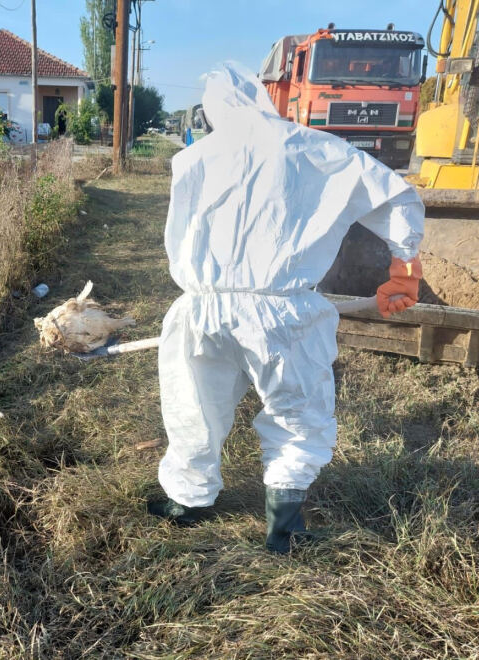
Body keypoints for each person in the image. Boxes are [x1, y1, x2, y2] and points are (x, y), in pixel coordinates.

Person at [147, 63, 424, 554]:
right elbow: (396, 195)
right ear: (263, 99)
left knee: (195, 405)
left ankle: (186, 502)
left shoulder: (193, 158)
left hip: (202, 310)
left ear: (211, 112)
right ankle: (284, 525)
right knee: (297, 410)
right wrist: (404, 271)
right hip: (282, 315)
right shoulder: (314, 147)